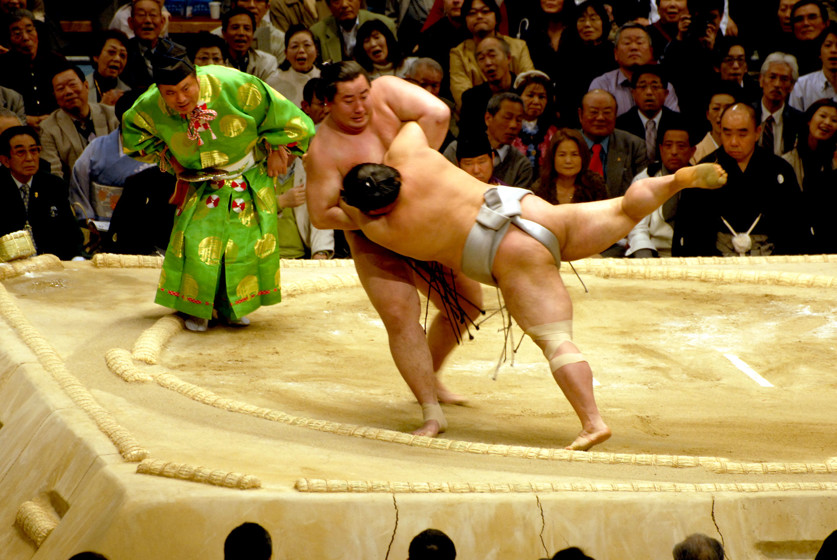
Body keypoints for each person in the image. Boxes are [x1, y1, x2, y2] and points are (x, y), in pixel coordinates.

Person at [339, 120, 727, 450]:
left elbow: (340, 213)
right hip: (530, 209)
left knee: (556, 339)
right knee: (624, 208)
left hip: (513, 255)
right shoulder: (410, 156)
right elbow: (413, 121)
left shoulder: (383, 227)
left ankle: (593, 422)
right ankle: (674, 182)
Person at [305, 61, 484, 436]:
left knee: (467, 303)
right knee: (402, 313)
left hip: (419, 220)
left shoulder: (386, 94)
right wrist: (375, 218)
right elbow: (322, 215)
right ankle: (430, 410)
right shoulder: (323, 148)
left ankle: (429, 375)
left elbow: (437, 112)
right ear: (327, 103)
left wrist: (415, 166)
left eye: (364, 96)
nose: (360, 108)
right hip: (371, 236)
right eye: (348, 101)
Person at [121, 55, 315, 332]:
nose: (180, 99)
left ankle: (232, 307)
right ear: (159, 91)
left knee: (243, 246)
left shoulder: (236, 84)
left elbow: (287, 118)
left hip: (246, 177)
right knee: (197, 244)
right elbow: (132, 136)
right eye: (170, 93)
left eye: (186, 88)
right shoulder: (150, 105)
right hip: (200, 181)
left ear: (196, 78)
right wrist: (170, 158)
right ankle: (195, 307)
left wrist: (275, 148)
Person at [674, 103, 809, 256]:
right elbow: (691, 228)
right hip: (717, 259)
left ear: (757, 132)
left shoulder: (779, 169)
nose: (733, 142)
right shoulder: (705, 169)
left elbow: (795, 226)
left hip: (769, 258)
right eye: (727, 133)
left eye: (742, 134)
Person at [69, 90, 154, 225]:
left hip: (143, 225)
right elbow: (79, 183)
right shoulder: (97, 146)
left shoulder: (159, 149)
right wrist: (88, 220)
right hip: (99, 224)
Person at [0, 125, 82, 260]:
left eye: (34, 151)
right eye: (21, 152)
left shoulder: (54, 185)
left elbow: (72, 234)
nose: (29, 158)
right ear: (5, 160)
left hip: (49, 263)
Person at [626, 115, 695, 257]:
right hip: (652, 251)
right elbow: (638, 227)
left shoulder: (699, 181)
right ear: (661, 149)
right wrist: (645, 256)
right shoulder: (645, 179)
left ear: (692, 151)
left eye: (681, 146)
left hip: (691, 254)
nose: (674, 152)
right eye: (668, 145)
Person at [448, 0, 534, 110]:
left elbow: (530, 88)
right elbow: (463, 100)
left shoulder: (518, 46)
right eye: (472, 13)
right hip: (478, 116)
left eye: (485, 11)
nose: (479, 16)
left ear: (496, 17)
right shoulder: (458, 53)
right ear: (465, 20)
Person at [40, 64, 120, 180]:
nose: (68, 92)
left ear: (86, 86)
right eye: (60, 88)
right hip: (73, 193)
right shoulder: (48, 128)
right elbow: (54, 174)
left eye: (72, 84)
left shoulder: (112, 115)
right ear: (55, 96)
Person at [588, 23, 681, 118]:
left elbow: (673, 123)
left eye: (640, 43)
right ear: (615, 53)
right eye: (627, 43)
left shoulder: (663, 86)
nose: (634, 47)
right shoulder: (602, 85)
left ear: (651, 51)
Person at [784, 99, 837, 252]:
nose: (827, 123)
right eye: (823, 116)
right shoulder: (786, 162)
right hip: (794, 239)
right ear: (809, 120)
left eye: (834, 120)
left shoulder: (835, 162)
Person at [553, 0, 617, 127]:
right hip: (573, 121)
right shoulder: (567, 54)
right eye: (581, 19)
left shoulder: (613, 53)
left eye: (593, 19)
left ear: (603, 22)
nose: (587, 24)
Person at [578, 89, 649, 199]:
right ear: (580, 115)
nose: (600, 117)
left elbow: (643, 190)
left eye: (607, 112)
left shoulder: (634, 145)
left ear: (616, 114)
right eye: (593, 112)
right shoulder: (565, 144)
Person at [0, 9, 64, 128]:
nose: (25, 37)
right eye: (17, 33)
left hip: (57, 126)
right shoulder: (2, 67)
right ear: (8, 40)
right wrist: (25, 120)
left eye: (29, 30)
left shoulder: (57, 62)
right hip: (15, 129)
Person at [615, 64, 679, 162]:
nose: (649, 92)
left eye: (655, 86)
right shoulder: (620, 125)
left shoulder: (679, 123)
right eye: (643, 86)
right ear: (633, 93)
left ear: (666, 93)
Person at [121, 0, 188, 93]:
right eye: (141, 15)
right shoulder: (122, 54)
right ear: (131, 22)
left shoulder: (177, 54)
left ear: (162, 22)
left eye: (153, 15)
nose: (148, 20)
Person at [534, 127, 608, 205]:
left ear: (583, 157)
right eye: (562, 155)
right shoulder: (540, 188)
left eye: (574, 154)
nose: (568, 161)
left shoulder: (596, 186)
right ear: (553, 157)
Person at [458, 35, 515, 134]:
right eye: (481, 58)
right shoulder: (471, 99)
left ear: (508, 57)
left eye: (492, 55)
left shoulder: (526, 89)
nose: (488, 62)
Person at [310, 0, 397, 62]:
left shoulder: (385, 24)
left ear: (360, 1)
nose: (344, 4)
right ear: (329, 6)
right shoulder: (317, 32)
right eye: (337, 1)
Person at [754, 52, 804, 156]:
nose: (777, 84)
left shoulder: (799, 121)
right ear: (761, 80)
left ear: (792, 86)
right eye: (772, 77)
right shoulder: (747, 114)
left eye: (784, 79)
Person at [512, 70, 559, 177]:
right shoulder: (509, 129)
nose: (536, 101)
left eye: (541, 97)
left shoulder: (553, 133)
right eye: (530, 95)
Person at [222, 7, 281, 84]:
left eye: (247, 28)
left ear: (253, 34)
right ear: (224, 33)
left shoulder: (266, 62)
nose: (241, 33)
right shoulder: (215, 61)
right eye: (235, 28)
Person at [789, 23, 837, 113]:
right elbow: (794, 121)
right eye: (828, 45)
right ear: (820, 52)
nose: (833, 50)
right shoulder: (802, 85)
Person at [272, 25, 321, 106]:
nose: (301, 50)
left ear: (316, 50)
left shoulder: (326, 79)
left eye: (307, 45)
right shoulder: (274, 83)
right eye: (295, 46)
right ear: (286, 53)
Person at [691, 81, 739, 163]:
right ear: (707, 114)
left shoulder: (744, 150)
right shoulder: (695, 155)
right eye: (716, 109)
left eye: (728, 108)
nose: (721, 114)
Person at [87, 30, 130, 107]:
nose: (117, 59)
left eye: (122, 55)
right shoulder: (81, 89)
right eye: (111, 52)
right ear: (96, 56)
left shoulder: (128, 93)